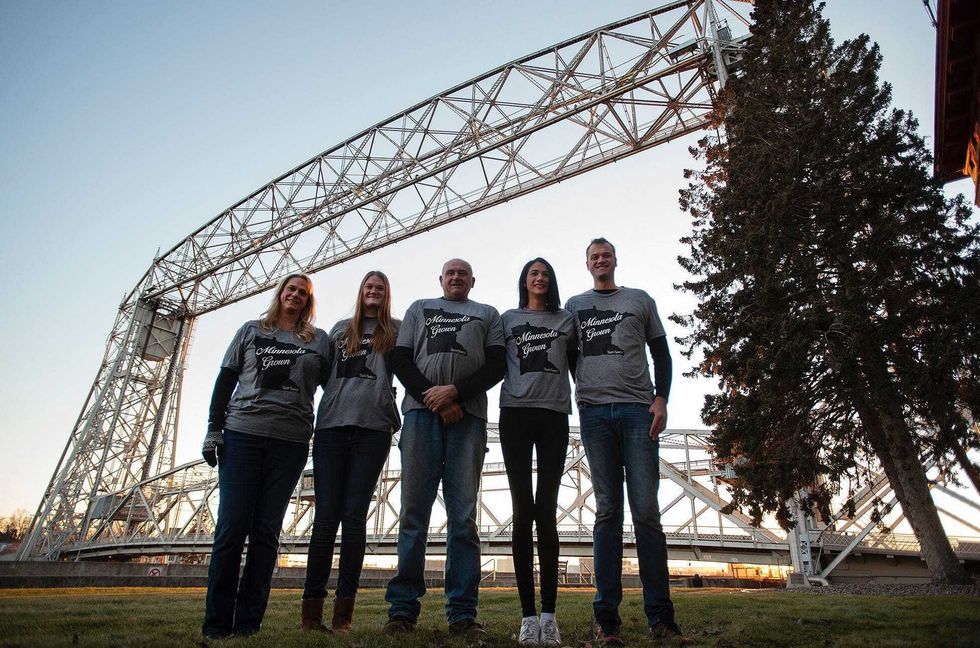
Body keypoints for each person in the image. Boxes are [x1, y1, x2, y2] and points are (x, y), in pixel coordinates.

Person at [564, 238, 685, 646]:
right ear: (587, 265)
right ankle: (606, 621)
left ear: (615, 260)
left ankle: (661, 619)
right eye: (594, 257)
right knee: (607, 513)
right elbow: (565, 355)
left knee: (647, 513)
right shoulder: (575, 306)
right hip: (595, 415)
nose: (601, 261)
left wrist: (661, 399)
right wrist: (583, 388)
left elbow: (662, 354)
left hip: (638, 410)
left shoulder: (640, 299)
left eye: (606, 256)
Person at [200, 273, 332, 640]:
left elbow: (336, 386)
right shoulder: (250, 330)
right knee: (231, 528)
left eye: (303, 293)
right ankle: (215, 625)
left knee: (266, 533)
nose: (295, 296)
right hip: (243, 435)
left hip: (290, 443)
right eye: (291, 289)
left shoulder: (318, 341)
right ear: (280, 293)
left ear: (308, 302)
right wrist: (214, 427)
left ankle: (247, 625)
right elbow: (225, 379)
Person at [383, 258, 505, 639]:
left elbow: (497, 365)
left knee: (463, 518)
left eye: (463, 273)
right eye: (450, 272)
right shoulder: (419, 308)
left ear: (473, 281)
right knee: (413, 515)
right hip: (420, 416)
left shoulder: (487, 313)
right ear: (441, 279)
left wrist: (456, 392)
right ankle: (402, 612)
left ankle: (462, 613)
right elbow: (400, 359)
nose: (456, 277)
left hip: (468, 420)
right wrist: (434, 397)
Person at [301, 271, 401, 633]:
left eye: (380, 288)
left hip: (373, 429)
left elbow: (413, 369)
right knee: (326, 518)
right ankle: (311, 614)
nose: (373, 292)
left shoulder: (397, 329)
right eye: (368, 287)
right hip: (330, 426)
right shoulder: (339, 329)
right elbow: (316, 374)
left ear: (386, 295)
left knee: (354, 517)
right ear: (361, 292)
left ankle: (343, 615)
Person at [499, 258, 577, 645]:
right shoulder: (507, 318)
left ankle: (550, 615)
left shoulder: (567, 320)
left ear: (551, 281)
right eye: (534, 273)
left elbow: (580, 367)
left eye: (545, 274)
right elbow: (493, 362)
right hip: (514, 416)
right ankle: (527, 617)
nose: (540, 279)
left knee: (546, 510)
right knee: (521, 510)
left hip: (553, 417)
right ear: (524, 280)